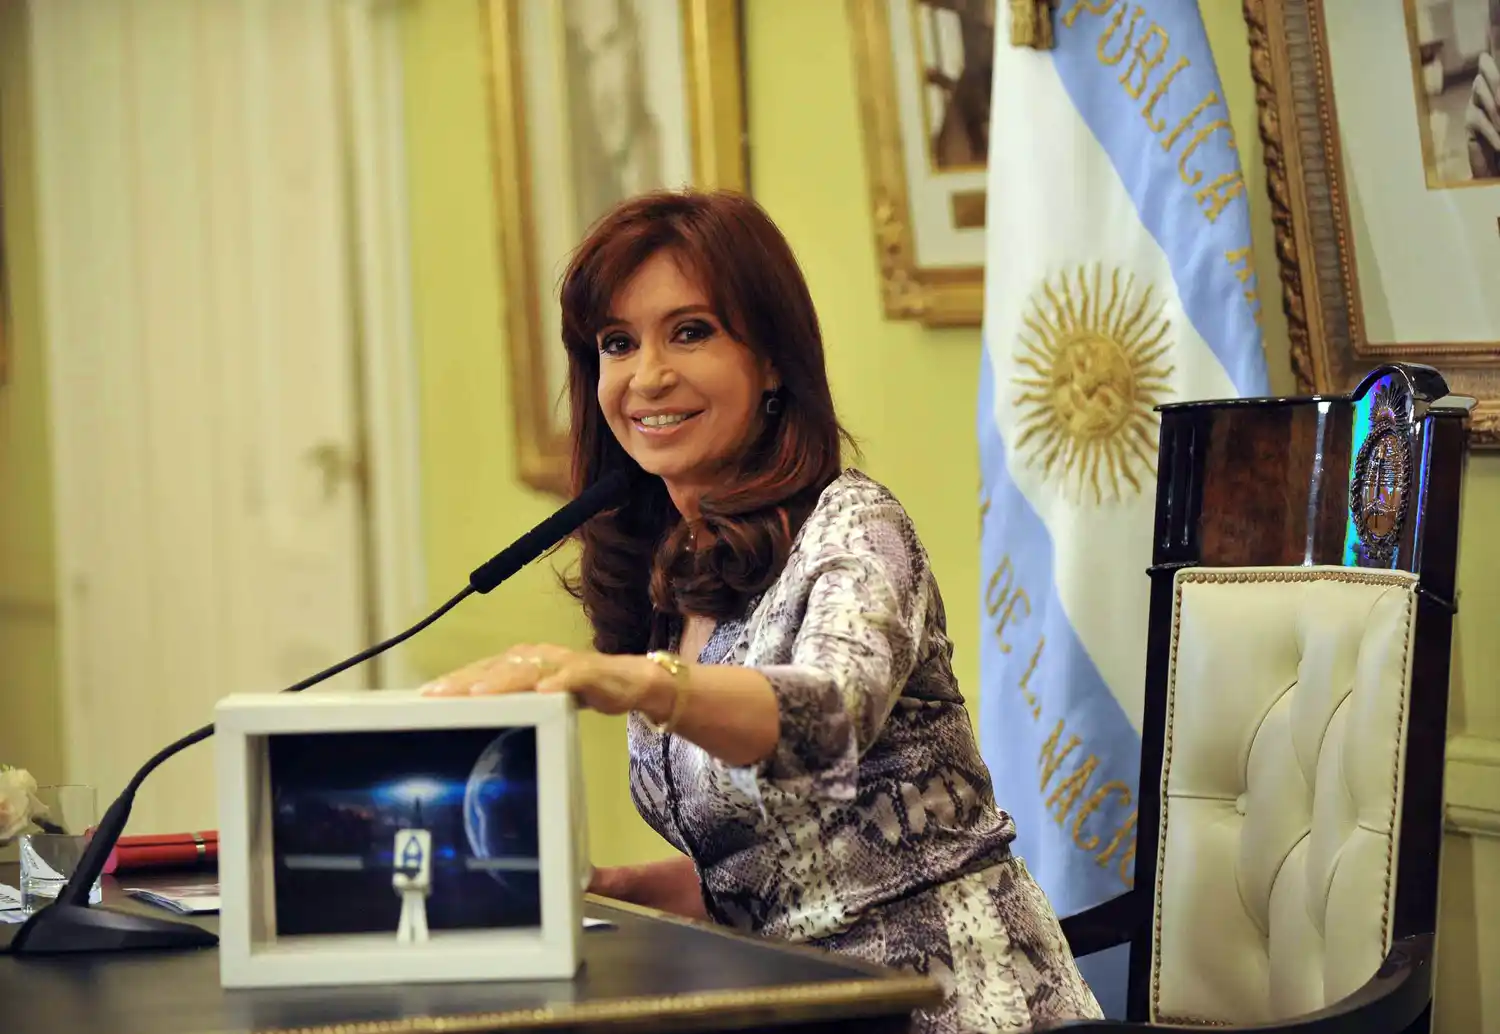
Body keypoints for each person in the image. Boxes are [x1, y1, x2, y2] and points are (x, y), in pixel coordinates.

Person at [422, 189, 1103, 1032]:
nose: (647, 377)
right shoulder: (680, 573)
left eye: (691, 332)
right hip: (793, 1002)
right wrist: (629, 892)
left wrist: (622, 680)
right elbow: (792, 859)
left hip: (954, 1001)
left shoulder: (854, 525)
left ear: (772, 360)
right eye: (618, 344)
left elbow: (826, 717)